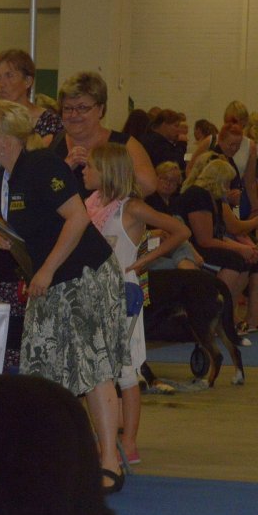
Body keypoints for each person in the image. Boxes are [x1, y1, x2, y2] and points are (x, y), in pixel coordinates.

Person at [0, 99, 129, 495]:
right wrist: (9, 241)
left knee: (91, 366)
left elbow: (77, 219)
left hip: (83, 274)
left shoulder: (42, 165)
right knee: (45, 368)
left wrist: (45, 269)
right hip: (50, 279)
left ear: (6, 139)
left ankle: (109, 460)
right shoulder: (3, 177)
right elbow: (38, 227)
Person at [83, 142, 190, 465]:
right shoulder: (90, 202)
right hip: (92, 292)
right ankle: (105, 435)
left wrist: (144, 260)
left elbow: (180, 230)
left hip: (121, 294)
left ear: (107, 170)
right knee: (96, 368)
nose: (84, 172)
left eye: (89, 167)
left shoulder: (131, 207)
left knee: (126, 370)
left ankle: (128, 441)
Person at [0, 48, 62, 370]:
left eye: (9, 76)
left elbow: (32, 174)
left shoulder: (45, 122)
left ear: (28, 81)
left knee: (16, 318)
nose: (2, 83)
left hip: (20, 221)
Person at [175, 156, 258, 333]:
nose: (229, 188)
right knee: (235, 260)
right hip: (189, 248)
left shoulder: (213, 199)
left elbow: (219, 235)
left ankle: (248, 315)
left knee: (256, 258)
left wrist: (245, 248)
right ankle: (215, 313)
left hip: (205, 245)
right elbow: (204, 240)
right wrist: (238, 249)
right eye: (228, 183)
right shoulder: (198, 195)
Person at [52, 70, 157, 199]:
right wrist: (64, 168)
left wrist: (102, 169)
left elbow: (148, 185)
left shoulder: (125, 144)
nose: (74, 115)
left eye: (82, 108)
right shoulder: (52, 142)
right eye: (67, 108)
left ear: (100, 110)